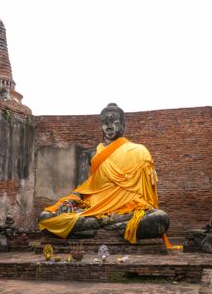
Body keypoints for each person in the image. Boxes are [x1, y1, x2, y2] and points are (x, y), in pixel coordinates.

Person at [39, 103, 169, 244]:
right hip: (93, 209)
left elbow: (145, 195)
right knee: (45, 217)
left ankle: (98, 226)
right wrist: (70, 200)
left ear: (123, 125)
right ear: (101, 126)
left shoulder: (139, 151)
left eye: (114, 122)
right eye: (105, 122)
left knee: (160, 218)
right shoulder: (91, 154)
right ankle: (112, 226)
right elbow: (82, 188)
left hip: (127, 210)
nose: (109, 126)